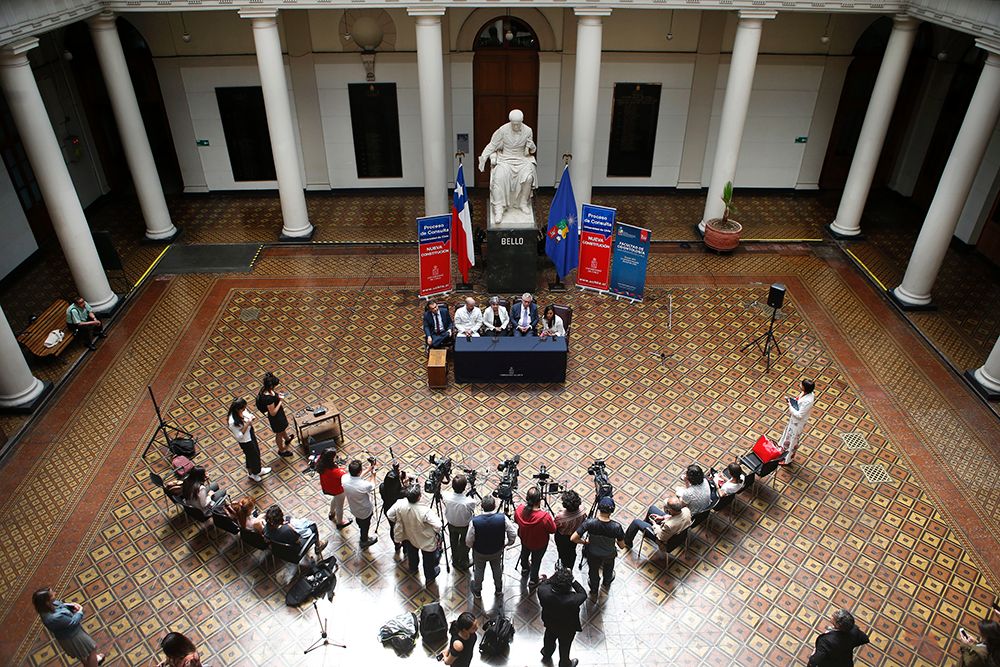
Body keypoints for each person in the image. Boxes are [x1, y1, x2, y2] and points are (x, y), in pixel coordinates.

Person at [478, 109, 538, 225]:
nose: (516, 127)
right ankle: (499, 208)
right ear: (510, 122)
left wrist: (532, 146)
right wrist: (483, 158)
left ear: (521, 122)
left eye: (518, 124)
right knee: (499, 177)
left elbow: (531, 150)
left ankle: (522, 203)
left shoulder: (528, 130)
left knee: (529, 177)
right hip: (505, 159)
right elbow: (492, 145)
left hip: (521, 159)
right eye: (514, 124)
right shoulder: (503, 130)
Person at [387, 485, 443, 585]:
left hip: (409, 536)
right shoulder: (425, 511)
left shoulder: (400, 503)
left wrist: (399, 521)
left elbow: (390, 515)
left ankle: (413, 568)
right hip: (425, 540)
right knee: (428, 559)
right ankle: (429, 576)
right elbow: (438, 526)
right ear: (419, 497)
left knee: (412, 553)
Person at [33, 588, 104, 666]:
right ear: (47, 602)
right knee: (91, 650)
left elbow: (61, 606)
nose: (55, 593)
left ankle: (90, 663)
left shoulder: (48, 606)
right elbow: (72, 622)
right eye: (52, 594)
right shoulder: (53, 618)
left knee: (81, 653)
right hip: (73, 637)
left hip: (72, 634)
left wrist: (70, 606)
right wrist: (79, 611)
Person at [571, 496, 627, 595]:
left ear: (599, 509)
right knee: (609, 569)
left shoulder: (590, 523)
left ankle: (594, 588)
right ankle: (606, 582)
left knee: (593, 571)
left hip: (593, 554)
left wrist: (585, 542)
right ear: (612, 510)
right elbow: (622, 546)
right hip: (609, 554)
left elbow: (573, 538)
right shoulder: (616, 527)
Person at [466, 495, 517, 597]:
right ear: (494, 506)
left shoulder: (475, 521)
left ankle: (477, 591)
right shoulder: (503, 518)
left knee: (479, 570)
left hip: (480, 552)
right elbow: (513, 533)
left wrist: (473, 547)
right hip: (496, 551)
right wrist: (508, 543)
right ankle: (498, 590)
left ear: (482, 506)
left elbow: (468, 540)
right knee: (497, 569)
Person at [536, 567, 587, 667]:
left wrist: (558, 575)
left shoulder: (542, 591)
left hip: (550, 622)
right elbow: (583, 593)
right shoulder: (572, 600)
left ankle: (547, 652)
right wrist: (572, 580)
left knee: (549, 637)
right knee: (565, 646)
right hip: (567, 628)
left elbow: (546, 582)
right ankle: (564, 663)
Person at [514, 487, 556, 586]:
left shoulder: (519, 510)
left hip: (525, 539)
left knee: (524, 554)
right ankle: (533, 580)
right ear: (539, 501)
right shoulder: (544, 517)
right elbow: (553, 530)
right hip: (539, 544)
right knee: (536, 561)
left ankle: (524, 569)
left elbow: (516, 521)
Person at [227, 398, 270, 482]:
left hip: (250, 434)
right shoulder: (232, 422)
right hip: (245, 441)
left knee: (251, 455)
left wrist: (250, 417)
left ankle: (251, 473)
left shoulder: (242, 411)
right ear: (237, 409)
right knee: (254, 456)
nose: (244, 410)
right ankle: (256, 472)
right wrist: (248, 423)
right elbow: (239, 436)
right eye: (242, 409)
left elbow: (247, 415)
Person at [623, 497, 692, 549]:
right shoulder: (686, 510)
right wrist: (663, 517)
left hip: (665, 540)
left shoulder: (668, 525)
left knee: (636, 522)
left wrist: (654, 524)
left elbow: (661, 537)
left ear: (670, 510)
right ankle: (645, 530)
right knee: (652, 509)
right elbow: (676, 516)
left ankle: (627, 542)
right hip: (679, 529)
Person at [263, 504, 328, 558]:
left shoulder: (266, 528)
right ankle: (318, 547)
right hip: (295, 552)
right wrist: (291, 528)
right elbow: (298, 541)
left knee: (288, 518)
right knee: (313, 526)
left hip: (279, 552)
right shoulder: (286, 530)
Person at [442, 474, 477, 569]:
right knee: (464, 543)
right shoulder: (470, 502)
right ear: (465, 487)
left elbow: (442, 494)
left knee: (453, 540)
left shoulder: (446, 496)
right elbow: (473, 509)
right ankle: (463, 560)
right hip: (464, 525)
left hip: (451, 523)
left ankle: (455, 559)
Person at [342, 458, 379, 549]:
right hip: (364, 510)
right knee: (365, 526)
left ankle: (361, 529)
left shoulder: (344, 478)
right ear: (359, 471)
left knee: (360, 521)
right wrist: (373, 475)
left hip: (354, 508)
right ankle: (364, 540)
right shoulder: (364, 485)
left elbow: (355, 478)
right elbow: (372, 485)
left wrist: (368, 470)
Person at [255, 372, 294, 457]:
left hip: (279, 414)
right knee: (279, 433)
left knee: (282, 428)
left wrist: (277, 396)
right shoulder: (268, 399)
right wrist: (280, 401)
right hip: (276, 417)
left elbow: (273, 395)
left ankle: (287, 439)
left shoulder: (265, 389)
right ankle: (281, 450)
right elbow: (272, 413)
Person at [780, 378, 816, 466]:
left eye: (801, 385)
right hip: (793, 421)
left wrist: (790, 405)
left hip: (798, 423)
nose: (800, 386)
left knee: (792, 440)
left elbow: (800, 415)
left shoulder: (808, 400)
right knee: (787, 436)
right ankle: (781, 453)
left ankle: (787, 460)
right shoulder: (805, 393)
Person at [316, 450, 352, 529]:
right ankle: (340, 522)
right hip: (338, 490)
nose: (337, 457)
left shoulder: (321, 464)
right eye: (335, 456)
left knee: (335, 499)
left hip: (328, 487)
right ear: (331, 459)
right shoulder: (338, 472)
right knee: (340, 506)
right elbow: (347, 478)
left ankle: (331, 513)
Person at [553, 490, 586, 569]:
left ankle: (562, 564)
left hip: (562, 537)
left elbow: (554, 527)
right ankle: (569, 567)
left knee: (561, 551)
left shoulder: (560, 516)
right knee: (571, 550)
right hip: (574, 535)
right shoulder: (582, 510)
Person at [379, 464, 408, 552]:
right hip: (400, 513)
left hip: (388, 510)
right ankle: (405, 549)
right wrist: (404, 484)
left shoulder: (382, 487)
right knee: (404, 531)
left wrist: (396, 472)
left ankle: (396, 545)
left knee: (393, 528)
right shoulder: (401, 493)